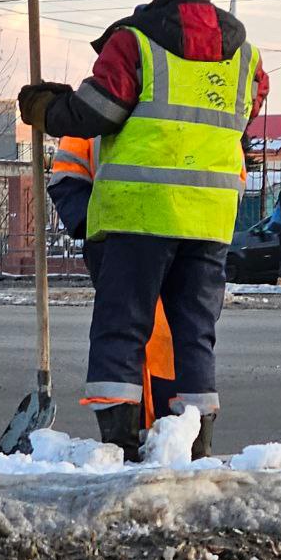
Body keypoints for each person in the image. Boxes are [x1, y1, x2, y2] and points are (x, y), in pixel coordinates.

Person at [18, 0, 267, 460]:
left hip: (140, 213)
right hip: (211, 218)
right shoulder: (248, 58)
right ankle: (195, 445)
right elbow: (242, 114)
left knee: (121, 325)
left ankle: (121, 445)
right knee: (194, 333)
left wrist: (49, 108)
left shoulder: (134, 41)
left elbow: (100, 109)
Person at [48, 136, 183, 459]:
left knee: (173, 333)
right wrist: (95, 224)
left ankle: (171, 432)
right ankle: (135, 435)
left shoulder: (184, 94)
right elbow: (67, 172)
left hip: (181, 232)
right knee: (135, 327)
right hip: (127, 233)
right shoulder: (104, 101)